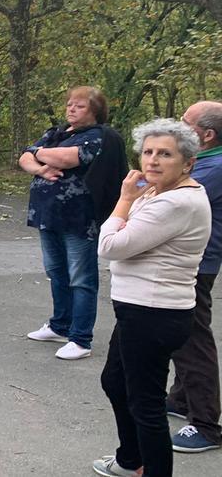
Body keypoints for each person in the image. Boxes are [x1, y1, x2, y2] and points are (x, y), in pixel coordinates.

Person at [93, 119, 211, 477]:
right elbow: (126, 239)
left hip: (154, 313)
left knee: (145, 405)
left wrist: (124, 199)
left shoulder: (176, 202)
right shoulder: (157, 192)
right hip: (137, 311)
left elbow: (110, 245)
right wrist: (131, 209)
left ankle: (151, 468)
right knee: (114, 382)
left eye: (165, 154)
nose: (153, 161)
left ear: (187, 163)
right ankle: (131, 459)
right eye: (148, 152)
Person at [20, 86, 128, 360]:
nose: (71, 109)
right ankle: (59, 325)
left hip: (80, 218)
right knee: (56, 272)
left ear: (94, 111)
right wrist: (39, 166)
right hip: (48, 215)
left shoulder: (98, 136)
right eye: (69, 104)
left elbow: (69, 158)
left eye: (79, 106)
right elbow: (24, 156)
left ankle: (81, 338)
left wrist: (39, 152)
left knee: (81, 278)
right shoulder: (57, 133)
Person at [167, 100, 222, 454]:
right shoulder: (202, 161)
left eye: (185, 122)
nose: (177, 126)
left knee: (192, 339)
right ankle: (181, 398)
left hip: (195, 263)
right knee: (181, 333)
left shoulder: (213, 167)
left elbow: (161, 191)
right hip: (191, 261)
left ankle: (205, 423)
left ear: (206, 134)